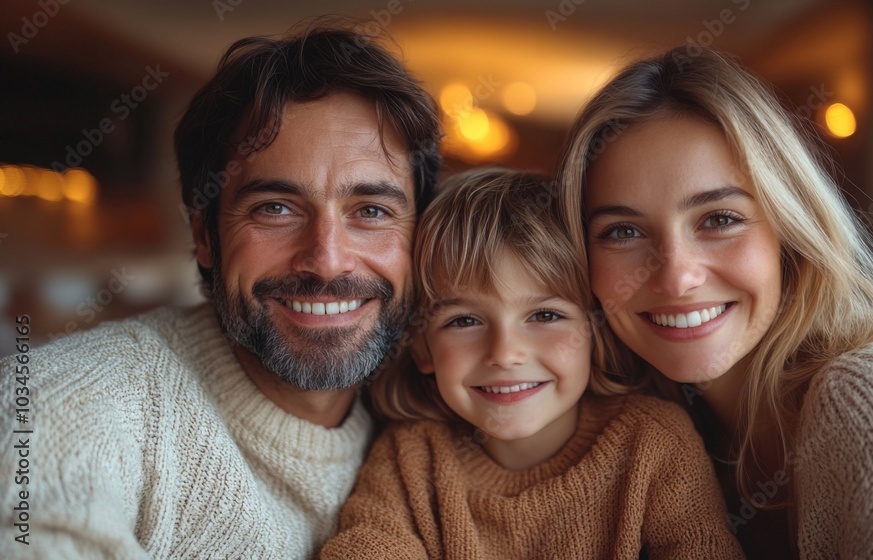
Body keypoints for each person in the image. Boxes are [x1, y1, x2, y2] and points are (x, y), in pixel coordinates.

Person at [0, 19, 441, 558]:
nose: (326, 261)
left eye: (371, 211)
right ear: (204, 235)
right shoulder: (59, 405)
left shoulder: (439, 413)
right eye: (274, 208)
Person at [558, 47, 873, 558]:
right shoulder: (642, 436)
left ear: (789, 232)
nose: (677, 277)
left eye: (720, 219)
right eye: (623, 231)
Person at [319, 168, 745, 559]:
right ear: (421, 349)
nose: (504, 353)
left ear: (595, 332)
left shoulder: (652, 441)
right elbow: (366, 545)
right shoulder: (412, 456)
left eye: (545, 316)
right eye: (463, 321)